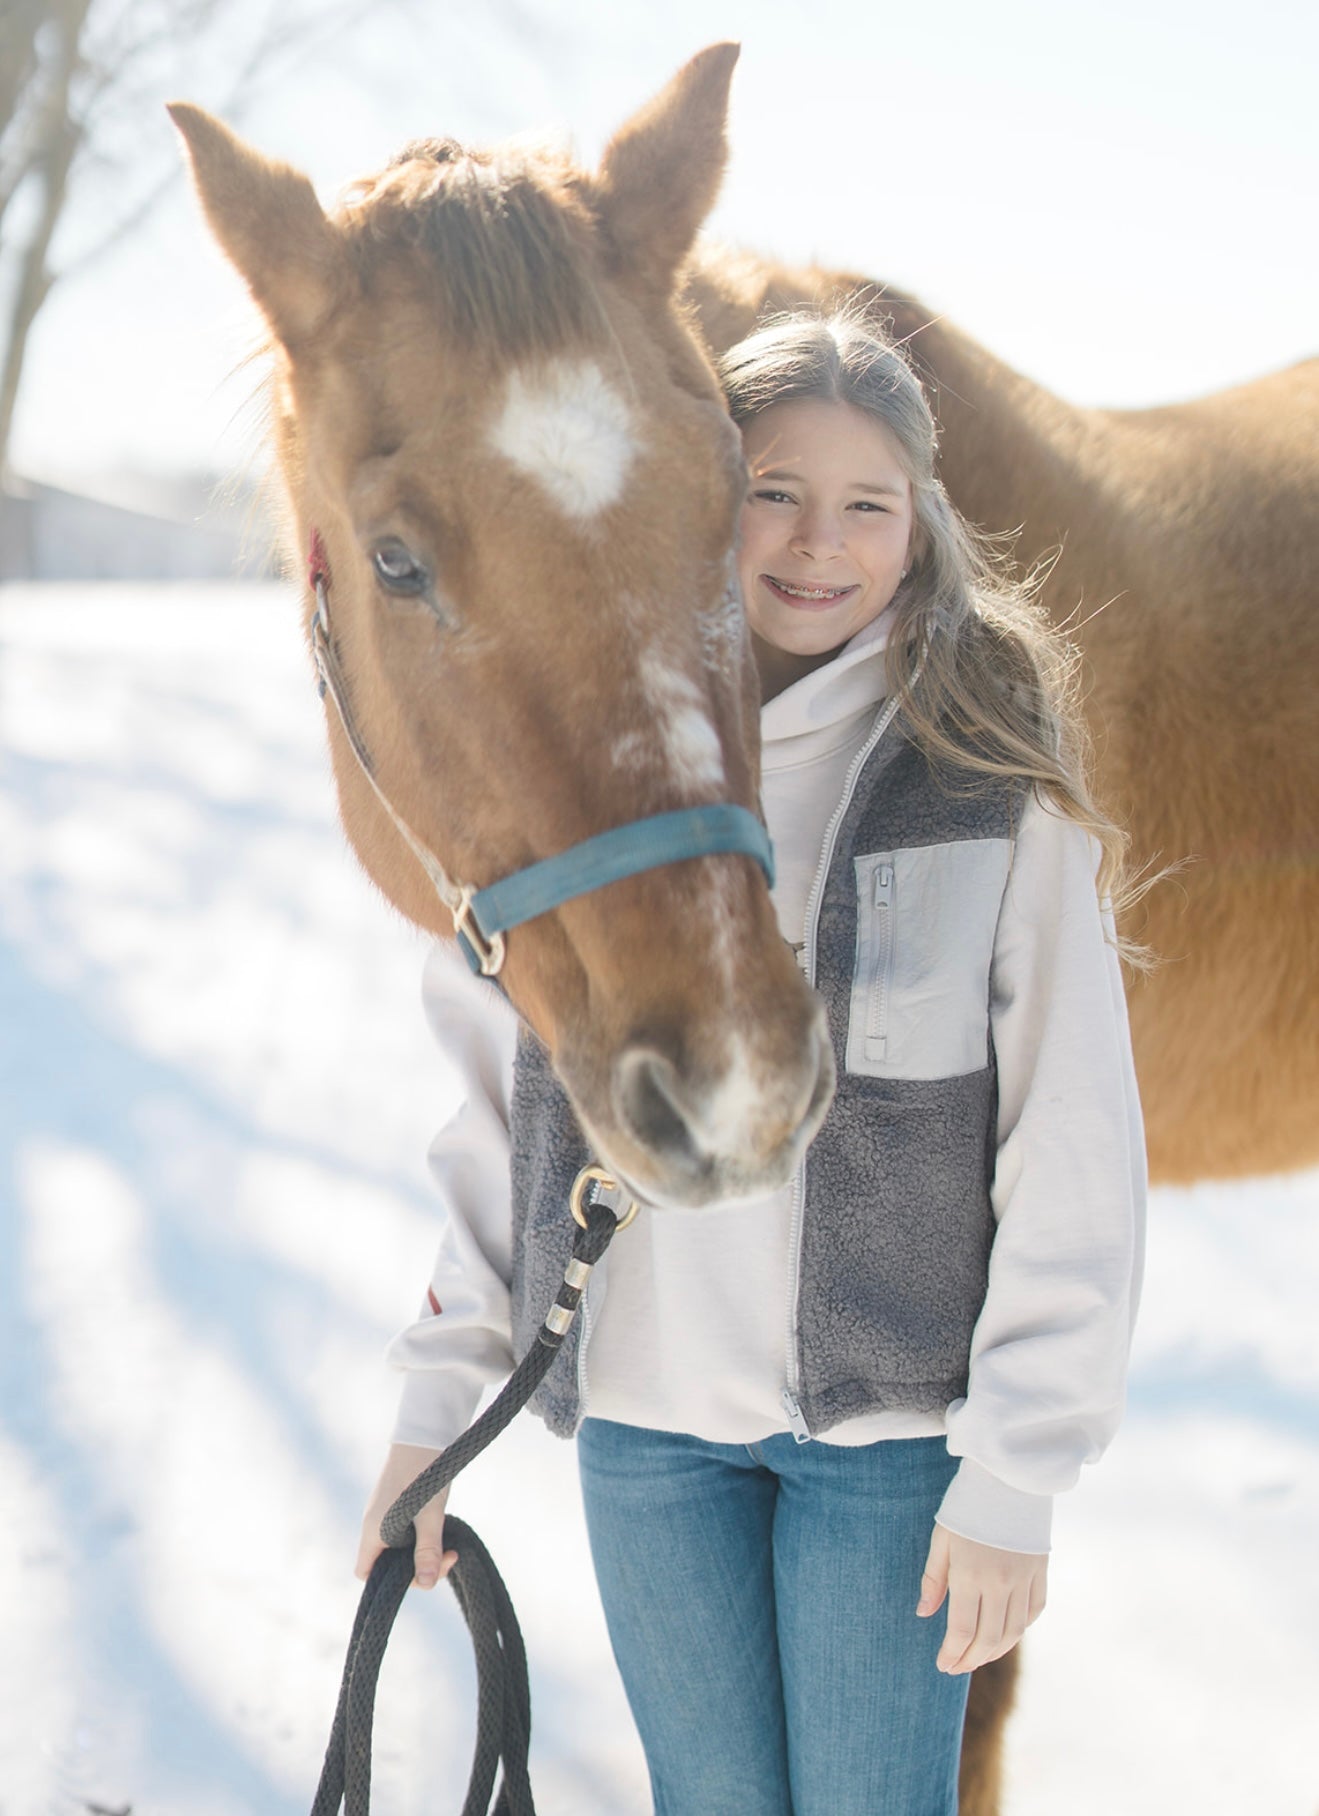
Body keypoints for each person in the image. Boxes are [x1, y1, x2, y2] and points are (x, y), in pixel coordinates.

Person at [356, 311, 1146, 1816]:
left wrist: (1018, 1471)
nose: (817, 544)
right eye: (776, 489)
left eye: (870, 504)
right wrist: (432, 1418)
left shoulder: (984, 786)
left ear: (922, 528)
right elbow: (491, 1108)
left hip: (888, 1450)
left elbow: (1074, 1143)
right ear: (704, 494)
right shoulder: (581, 779)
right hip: (650, 1439)